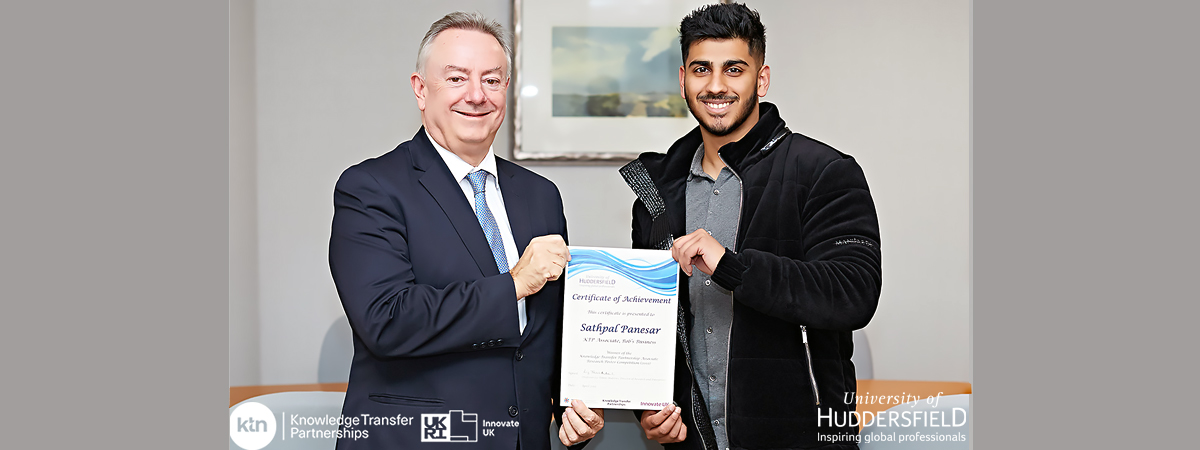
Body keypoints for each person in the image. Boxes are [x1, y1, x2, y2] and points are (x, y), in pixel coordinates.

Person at [329, 12, 603, 450]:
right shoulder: (371, 187)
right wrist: (513, 284)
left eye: (492, 81)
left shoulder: (540, 195)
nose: (477, 96)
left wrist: (572, 405)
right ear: (421, 89)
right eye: (457, 79)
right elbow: (386, 320)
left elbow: (548, 329)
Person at [620, 3, 882, 449]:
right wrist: (652, 406)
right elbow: (655, 325)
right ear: (683, 80)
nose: (716, 85)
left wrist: (733, 266)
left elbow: (853, 293)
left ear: (760, 79)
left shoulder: (823, 170)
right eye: (702, 69)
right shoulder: (656, 191)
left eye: (734, 69)